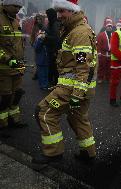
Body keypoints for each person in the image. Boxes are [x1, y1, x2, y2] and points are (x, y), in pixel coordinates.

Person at [32, 0, 97, 164]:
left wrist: (76, 95)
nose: (59, 15)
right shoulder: (73, 29)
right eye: (58, 12)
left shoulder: (79, 33)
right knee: (77, 118)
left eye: (62, 12)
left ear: (73, 11)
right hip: (79, 87)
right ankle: (88, 153)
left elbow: (83, 67)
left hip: (72, 87)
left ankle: (53, 153)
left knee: (45, 112)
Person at [0, 0, 26, 129]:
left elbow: (18, 44)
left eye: (19, 7)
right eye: (15, 6)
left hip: (17, 67)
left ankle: (14, 120)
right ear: (5, 4)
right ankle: (2, 124)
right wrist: (7, 58)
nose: (17, 9)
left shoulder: (15, 21)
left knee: (17, 94)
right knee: (5, 97)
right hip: (3, 69)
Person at [45, 8, 61, 88]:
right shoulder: (52, 22)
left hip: (55, 49)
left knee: (54, 67)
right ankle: (52, 82)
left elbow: (56, 38)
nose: (47, 17)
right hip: (51, 48)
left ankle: (55, 84)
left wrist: (46, 38)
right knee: (52, 66)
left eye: (48, 15)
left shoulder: (55, 23)